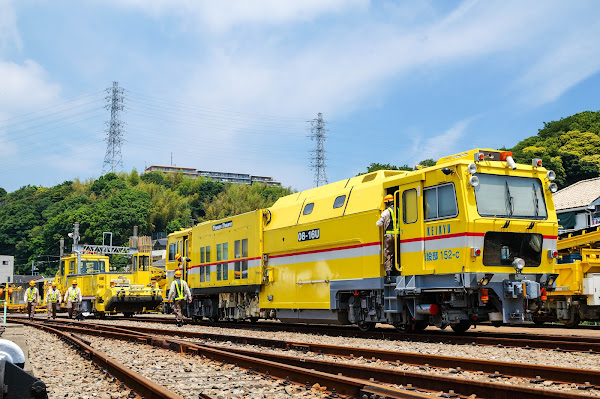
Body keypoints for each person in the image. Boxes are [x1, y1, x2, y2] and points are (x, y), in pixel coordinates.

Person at [376, 194, 397, 284]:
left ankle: (388, 275)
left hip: (389, 236)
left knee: (388, 254)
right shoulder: (399, 210)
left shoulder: (386, 212)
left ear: (387, 202)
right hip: (399, 235)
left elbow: (379, 224)